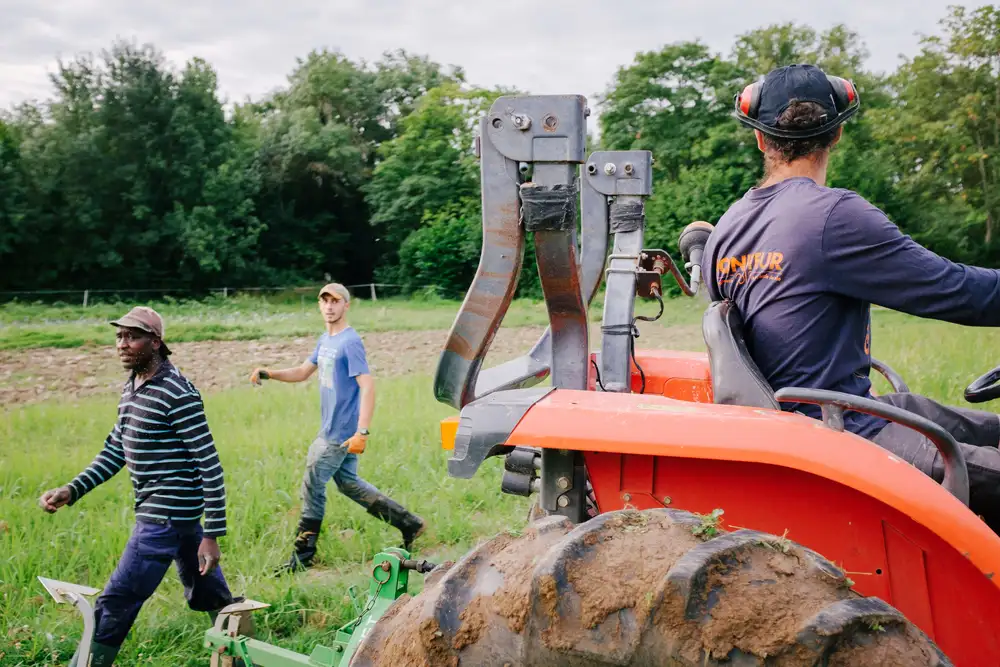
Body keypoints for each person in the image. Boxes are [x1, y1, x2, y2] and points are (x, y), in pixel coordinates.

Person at [703, 63, 1000, 530]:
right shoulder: (834, 216)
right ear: (836, 134)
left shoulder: (725, 230)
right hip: (845, 434)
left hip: (814, 423)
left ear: (762, 140)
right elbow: (957, 291)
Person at [38, 306, 238, 666]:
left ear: (156, 342)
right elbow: (116, 449)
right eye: (119, 336)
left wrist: (213, 534)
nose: (122, 343)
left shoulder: (177, 392)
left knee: (118, 599)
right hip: (176, 517)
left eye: (133, 336)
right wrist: (72, 490)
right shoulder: (132, 387)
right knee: (209, 591)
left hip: (163, 517)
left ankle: (86, 664)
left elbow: (210, 463)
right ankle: (239, 654)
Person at [250, 283, 425, 573]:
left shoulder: (349, 342)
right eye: (325, 301)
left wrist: (362, 432)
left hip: (340, 432)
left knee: (312, 485)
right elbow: (303, 372)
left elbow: (367, 387)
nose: (329, 306)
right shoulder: (326, 340)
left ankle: (303, 556)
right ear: (319, 305)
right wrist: (269, 373)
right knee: (348, 483)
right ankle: (411, 524)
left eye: (336, 301)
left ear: (347, 304)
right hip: (333, 428)